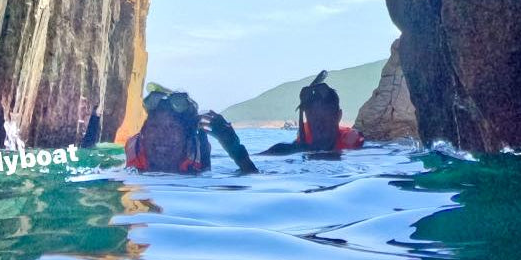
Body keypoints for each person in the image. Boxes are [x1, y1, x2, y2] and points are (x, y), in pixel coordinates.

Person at [125, 87, 258, 173]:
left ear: (187, 139)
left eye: (172, 128)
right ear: (143, 134)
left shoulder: (199, 173)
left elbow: (253, 180)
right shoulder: (128, 177)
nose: (161, 136)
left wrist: (235, 149)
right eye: (154, 127)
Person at [262, 71, 365, 154]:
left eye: (324, 120)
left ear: (338, 116)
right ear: (307, 117)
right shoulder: (301, 142)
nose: (319, 126)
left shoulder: (351, 142)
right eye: (314, 120)